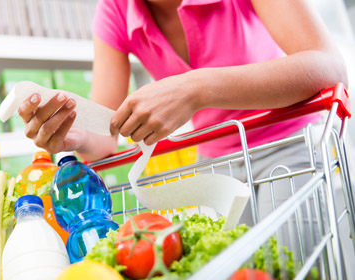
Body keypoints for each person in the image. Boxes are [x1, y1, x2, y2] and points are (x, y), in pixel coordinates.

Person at [18, 0, 347, 164]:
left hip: (293, 143)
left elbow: (329, 66)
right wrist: (70, 134)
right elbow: (105, 139)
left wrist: (197, 88)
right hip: (217, 163)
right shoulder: (114, 11)